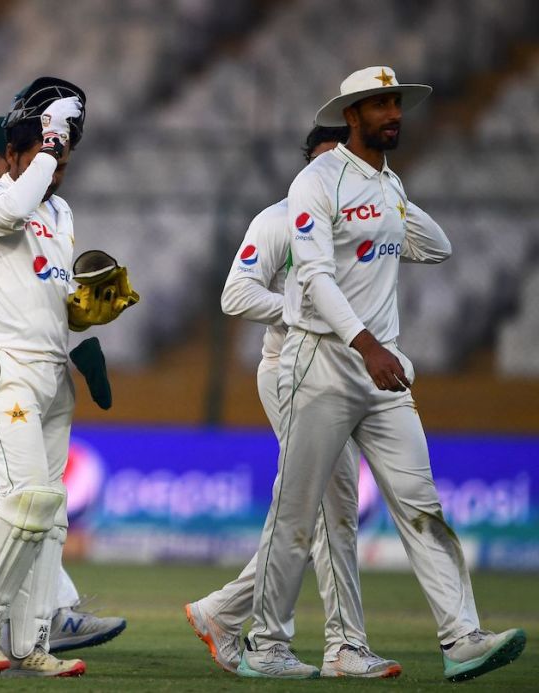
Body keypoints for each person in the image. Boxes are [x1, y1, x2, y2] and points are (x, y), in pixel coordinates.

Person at [240, 66, 527, 682]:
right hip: (319, 361)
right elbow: (314, 279)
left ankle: (462, 638)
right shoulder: (314, 181)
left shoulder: (387, 182)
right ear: (352, 115)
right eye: (380, 105)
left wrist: (390, 202)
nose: (393, 113)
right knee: (298, 514)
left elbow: (439, 246)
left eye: (396, 103)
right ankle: (265, 645)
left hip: (382, 373)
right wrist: (368, 343)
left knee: (421, 503)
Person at [187, 125, 401, 679]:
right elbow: (235, 292)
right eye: (328, 159)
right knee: (329, 512)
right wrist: (305, 309)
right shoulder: (279, 218)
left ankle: (224, 611)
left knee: (329, 511)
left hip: (349, 375)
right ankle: (342, 647)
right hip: (292, 370)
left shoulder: (367, 219)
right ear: (310, 161)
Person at [0, 116, 126, 654]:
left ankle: (32, 646)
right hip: (3, 363)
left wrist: (88, 320)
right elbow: (15, 207)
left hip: (51, 369)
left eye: (65, 167)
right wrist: (47, 147)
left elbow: (55, 297)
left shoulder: (61, 211)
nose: (56, 176)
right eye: (50, 163)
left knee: (50, 518)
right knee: (26, 500)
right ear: (13, 154)